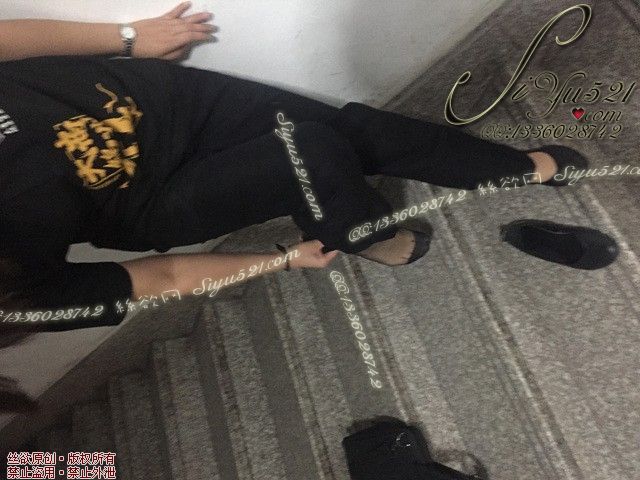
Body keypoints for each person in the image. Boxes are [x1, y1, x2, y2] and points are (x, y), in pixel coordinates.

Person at [0, 2, 586, 333]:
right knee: (314, 151)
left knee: (355, 134)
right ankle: (365, 236)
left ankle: (513, 167)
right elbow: (165, 277)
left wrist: (126, 37)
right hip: (152, 199)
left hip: (161, 101)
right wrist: (281, 259)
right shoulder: (12, 299)